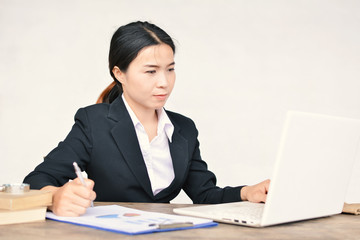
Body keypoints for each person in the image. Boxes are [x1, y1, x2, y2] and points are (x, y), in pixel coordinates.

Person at [23, 21, 270, 217]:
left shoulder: (183, 128)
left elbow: (204, 194)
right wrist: (56, 197)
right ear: (119, 73)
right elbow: (36, 180)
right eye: (151, 71)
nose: (164, 82)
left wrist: (248, 192)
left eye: (170, 69)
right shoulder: (93, 122)